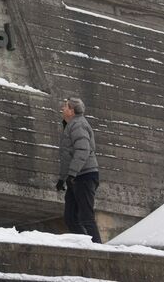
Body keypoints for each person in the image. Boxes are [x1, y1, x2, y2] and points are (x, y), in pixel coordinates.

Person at [56, 97, 102, 243]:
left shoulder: (79, 125)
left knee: (86, 217)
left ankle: (97, 249)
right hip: (76, 176)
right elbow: (67, 156)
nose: (62, 108)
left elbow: (82, 151)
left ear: (72, 110)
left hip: (85, 175)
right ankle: (86, 245)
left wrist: (71, 174)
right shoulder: (71, 125)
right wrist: (62, 178)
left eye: (65, 106)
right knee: (70, 217)